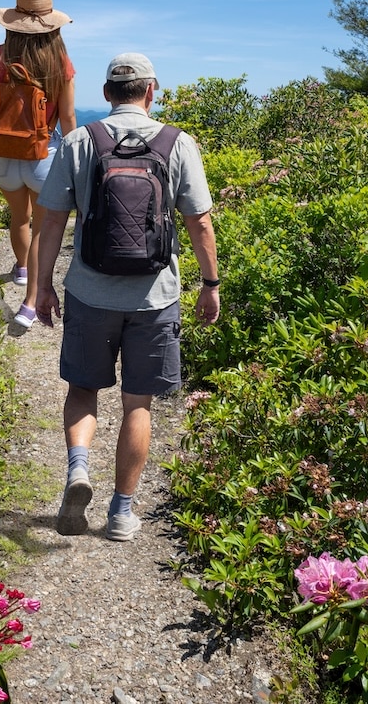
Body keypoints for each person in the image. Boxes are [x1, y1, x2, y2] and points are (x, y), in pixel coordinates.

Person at [33, 52, 220, 541]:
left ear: (106, 93)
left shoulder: (78, 141)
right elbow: (199, 221)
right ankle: (120, 512)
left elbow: (51, 220)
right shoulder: (177, 143)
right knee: (139, 404)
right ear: (151, 91)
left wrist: (42, 287)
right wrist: (210, 284)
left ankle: (78, 469)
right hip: (155, 297)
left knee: (83, 390)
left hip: (90, 292)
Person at [0, 0, 78, 329]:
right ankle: (28, 303)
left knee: (18, 218)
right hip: (44, 154)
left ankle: (21, 269)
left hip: (5, 154)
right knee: (42, 227)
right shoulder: (60, 62)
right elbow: (67, 118)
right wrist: (76, 161)